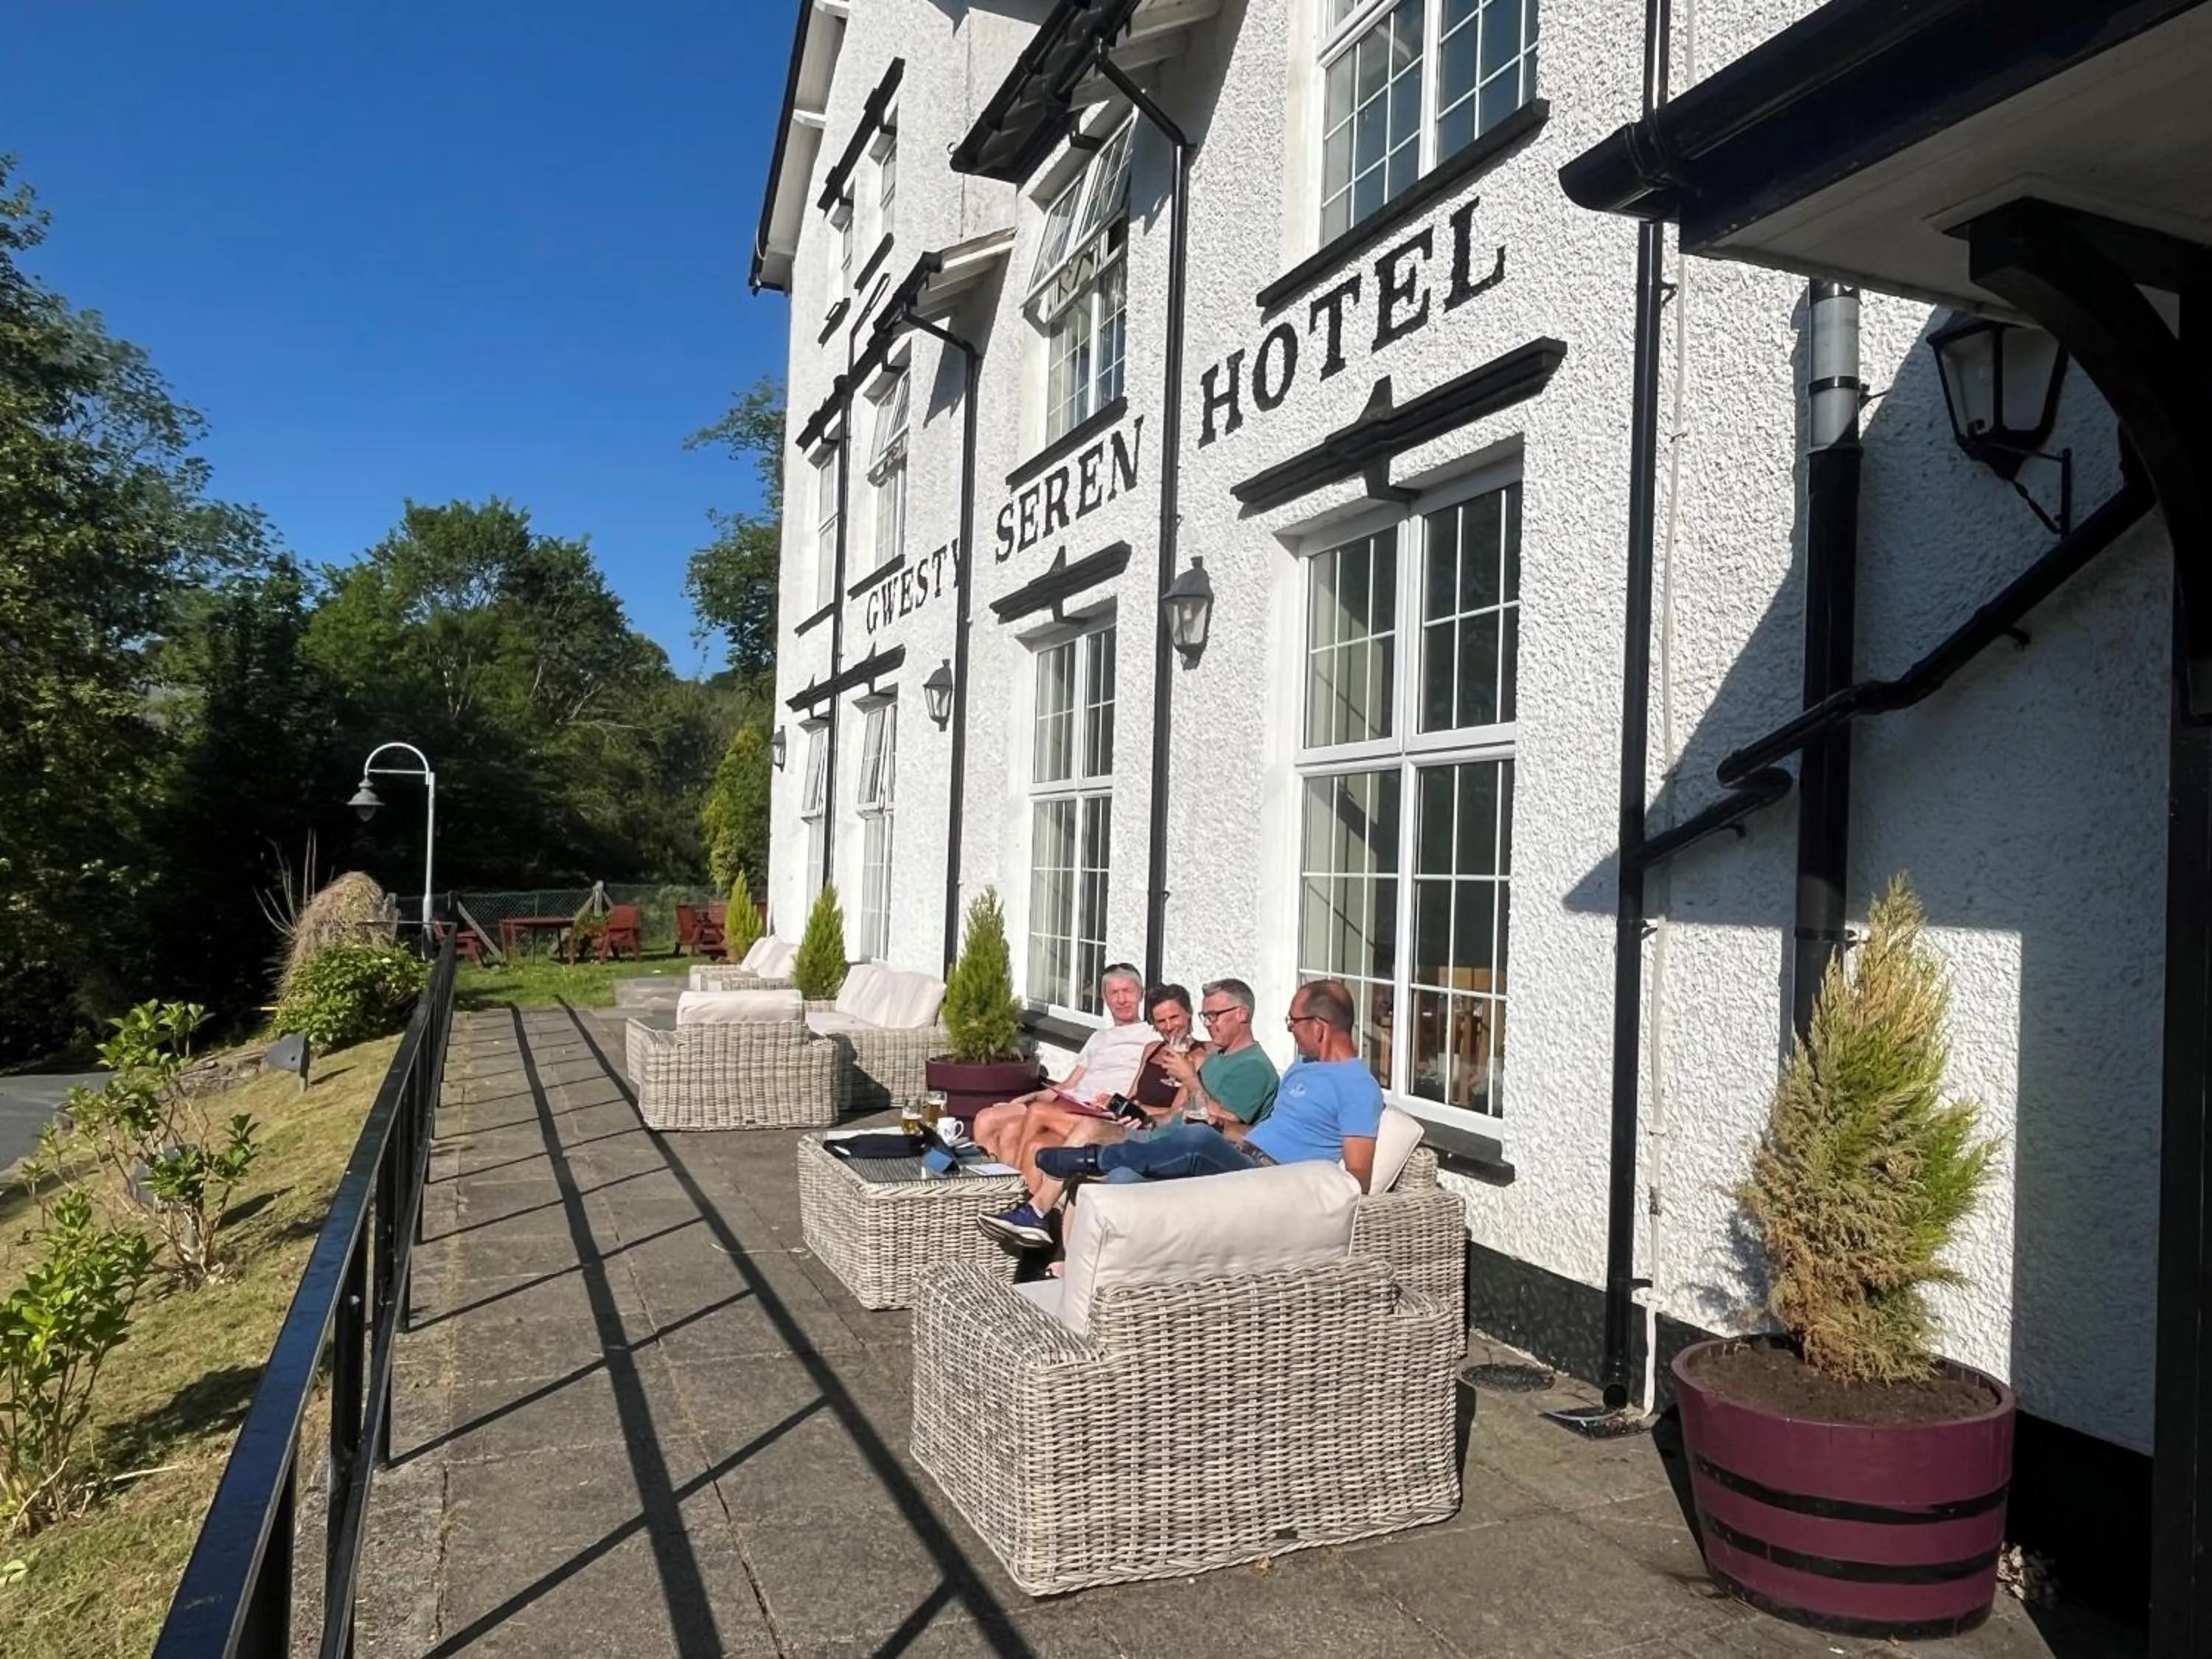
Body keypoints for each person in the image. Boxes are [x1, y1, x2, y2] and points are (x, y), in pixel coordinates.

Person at [1034, 978, 1381, 1192]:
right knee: (1129, 1175)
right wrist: (1221, 1124)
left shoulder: (1357, 1086)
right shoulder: (1303, 1068)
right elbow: (1262, 1131)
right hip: (1244, 1156)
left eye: (1293, 1021)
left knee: (1197, 1139)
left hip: (1274, 1182)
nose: (1290, 1028)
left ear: (1319, 1026)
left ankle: (1094, 1158)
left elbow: (1357, 1180)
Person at [981, 982, 1252, 1248]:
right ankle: (1029, 1227)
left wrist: (1173, 1089)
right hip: (1129, 1121)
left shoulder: (1199, 1058)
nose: (1170, 1026)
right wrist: (1117, 1104)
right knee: (1031, 1139)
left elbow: (1180, 1114)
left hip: (1152, 1133)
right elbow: (1135, 1095)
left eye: (1175, 1017)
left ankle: (1031, 1210)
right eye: (1161, 1021)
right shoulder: (1152, 1050)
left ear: (1189, 1015)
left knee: (1046, 1115)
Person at [970, 962, 1152, 1169]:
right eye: (1114, 993)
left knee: (1014, 1128)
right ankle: (993, 1189)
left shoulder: (1151, 1035)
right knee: (986, 1118)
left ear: (1141, 994)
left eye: (1127, 991)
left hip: (1098, 1114)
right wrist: (1028, 1098)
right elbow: (1068, 1084)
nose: (1121, 1000)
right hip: (1072, 1103)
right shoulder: (1099, 1037)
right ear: (1105, 999)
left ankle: (1014, 1189)